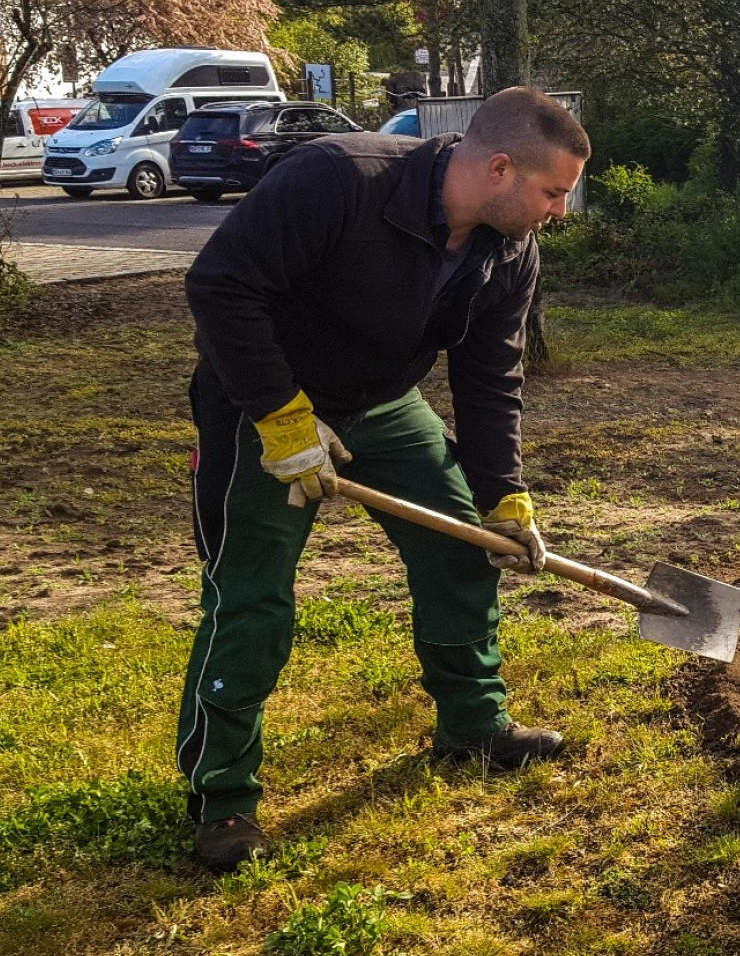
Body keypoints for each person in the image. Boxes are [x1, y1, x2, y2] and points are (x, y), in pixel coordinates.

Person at [179, 87, 588, 872]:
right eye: (553, 193)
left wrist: (502, 493)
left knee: (463, 548)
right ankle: (224, 798)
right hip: (260, 400)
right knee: (251, 598)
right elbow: (222, 287)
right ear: (500, 168)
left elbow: (489, 378)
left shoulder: (508, 248)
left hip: (382, 401)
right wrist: (283, 415)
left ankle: (472, 725)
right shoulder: (338, 177)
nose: (558, 213)